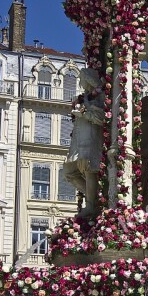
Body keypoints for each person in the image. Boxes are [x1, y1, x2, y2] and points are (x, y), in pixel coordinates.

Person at [65, 67, 104, 217]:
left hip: (91, 138)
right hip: (78, 140)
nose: (80, 81)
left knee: (89, 171)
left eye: (81, 77)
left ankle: (91, 205)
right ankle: (96, 198)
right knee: (70, 173)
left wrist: (84, 114)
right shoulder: (83, 98)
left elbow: (102, 117)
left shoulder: (99, 97)